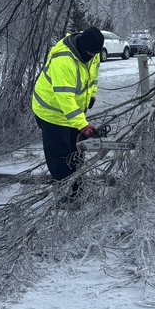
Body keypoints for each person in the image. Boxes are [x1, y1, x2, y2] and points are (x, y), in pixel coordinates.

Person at [31, 27, 104, 196]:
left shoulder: (93, 52)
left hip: (73, 112)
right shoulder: (63, 61)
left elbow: (93, 76)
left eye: (95, 53)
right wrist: (83, 125)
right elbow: (66, 100)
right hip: (51, 113)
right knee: (61, 158)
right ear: (82, 47)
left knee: (76, 152)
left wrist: (91, 95)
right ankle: (65, 197)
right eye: (90, 53)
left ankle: (77, 190)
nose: (93, 56)